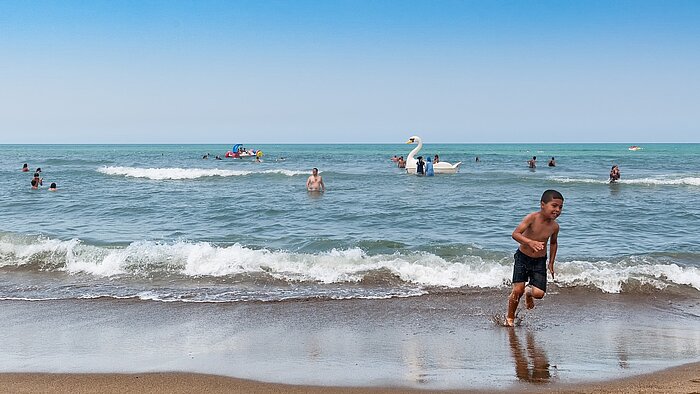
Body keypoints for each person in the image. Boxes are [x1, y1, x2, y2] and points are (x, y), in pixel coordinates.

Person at [505, 189, 564, 327]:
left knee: (539, 293)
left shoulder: (555, 227)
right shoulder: (531, 218)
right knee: (517, 290)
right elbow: (515, 234)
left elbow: (554, 243)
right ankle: (509, 317)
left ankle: (529, 293)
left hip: (539, 261)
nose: (557, 210)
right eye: (554, 205)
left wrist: (551, 263)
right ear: (542, 204)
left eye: (560, 207)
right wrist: (530, 242)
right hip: (523, 258)